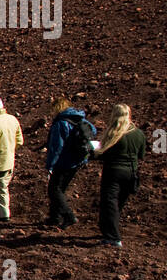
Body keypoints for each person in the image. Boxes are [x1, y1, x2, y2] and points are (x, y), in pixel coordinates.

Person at [95, 103, 145, 248]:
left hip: (113, 171)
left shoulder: (114, 133)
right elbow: (141, 155)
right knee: (119, 203)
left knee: (109, 203)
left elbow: (102, 153)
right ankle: (109, 229)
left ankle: (113, 237)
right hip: (131, 172)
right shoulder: (138, 134)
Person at [44, 97, 95, 227]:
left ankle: (69, 216)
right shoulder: (79, 119)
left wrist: (50, 164)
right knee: (60, 189)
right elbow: (93, 130)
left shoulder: (60, 123)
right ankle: (55, 217)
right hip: (77, 160)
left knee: (54, 189)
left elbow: (56, 147)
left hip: (64, 161)